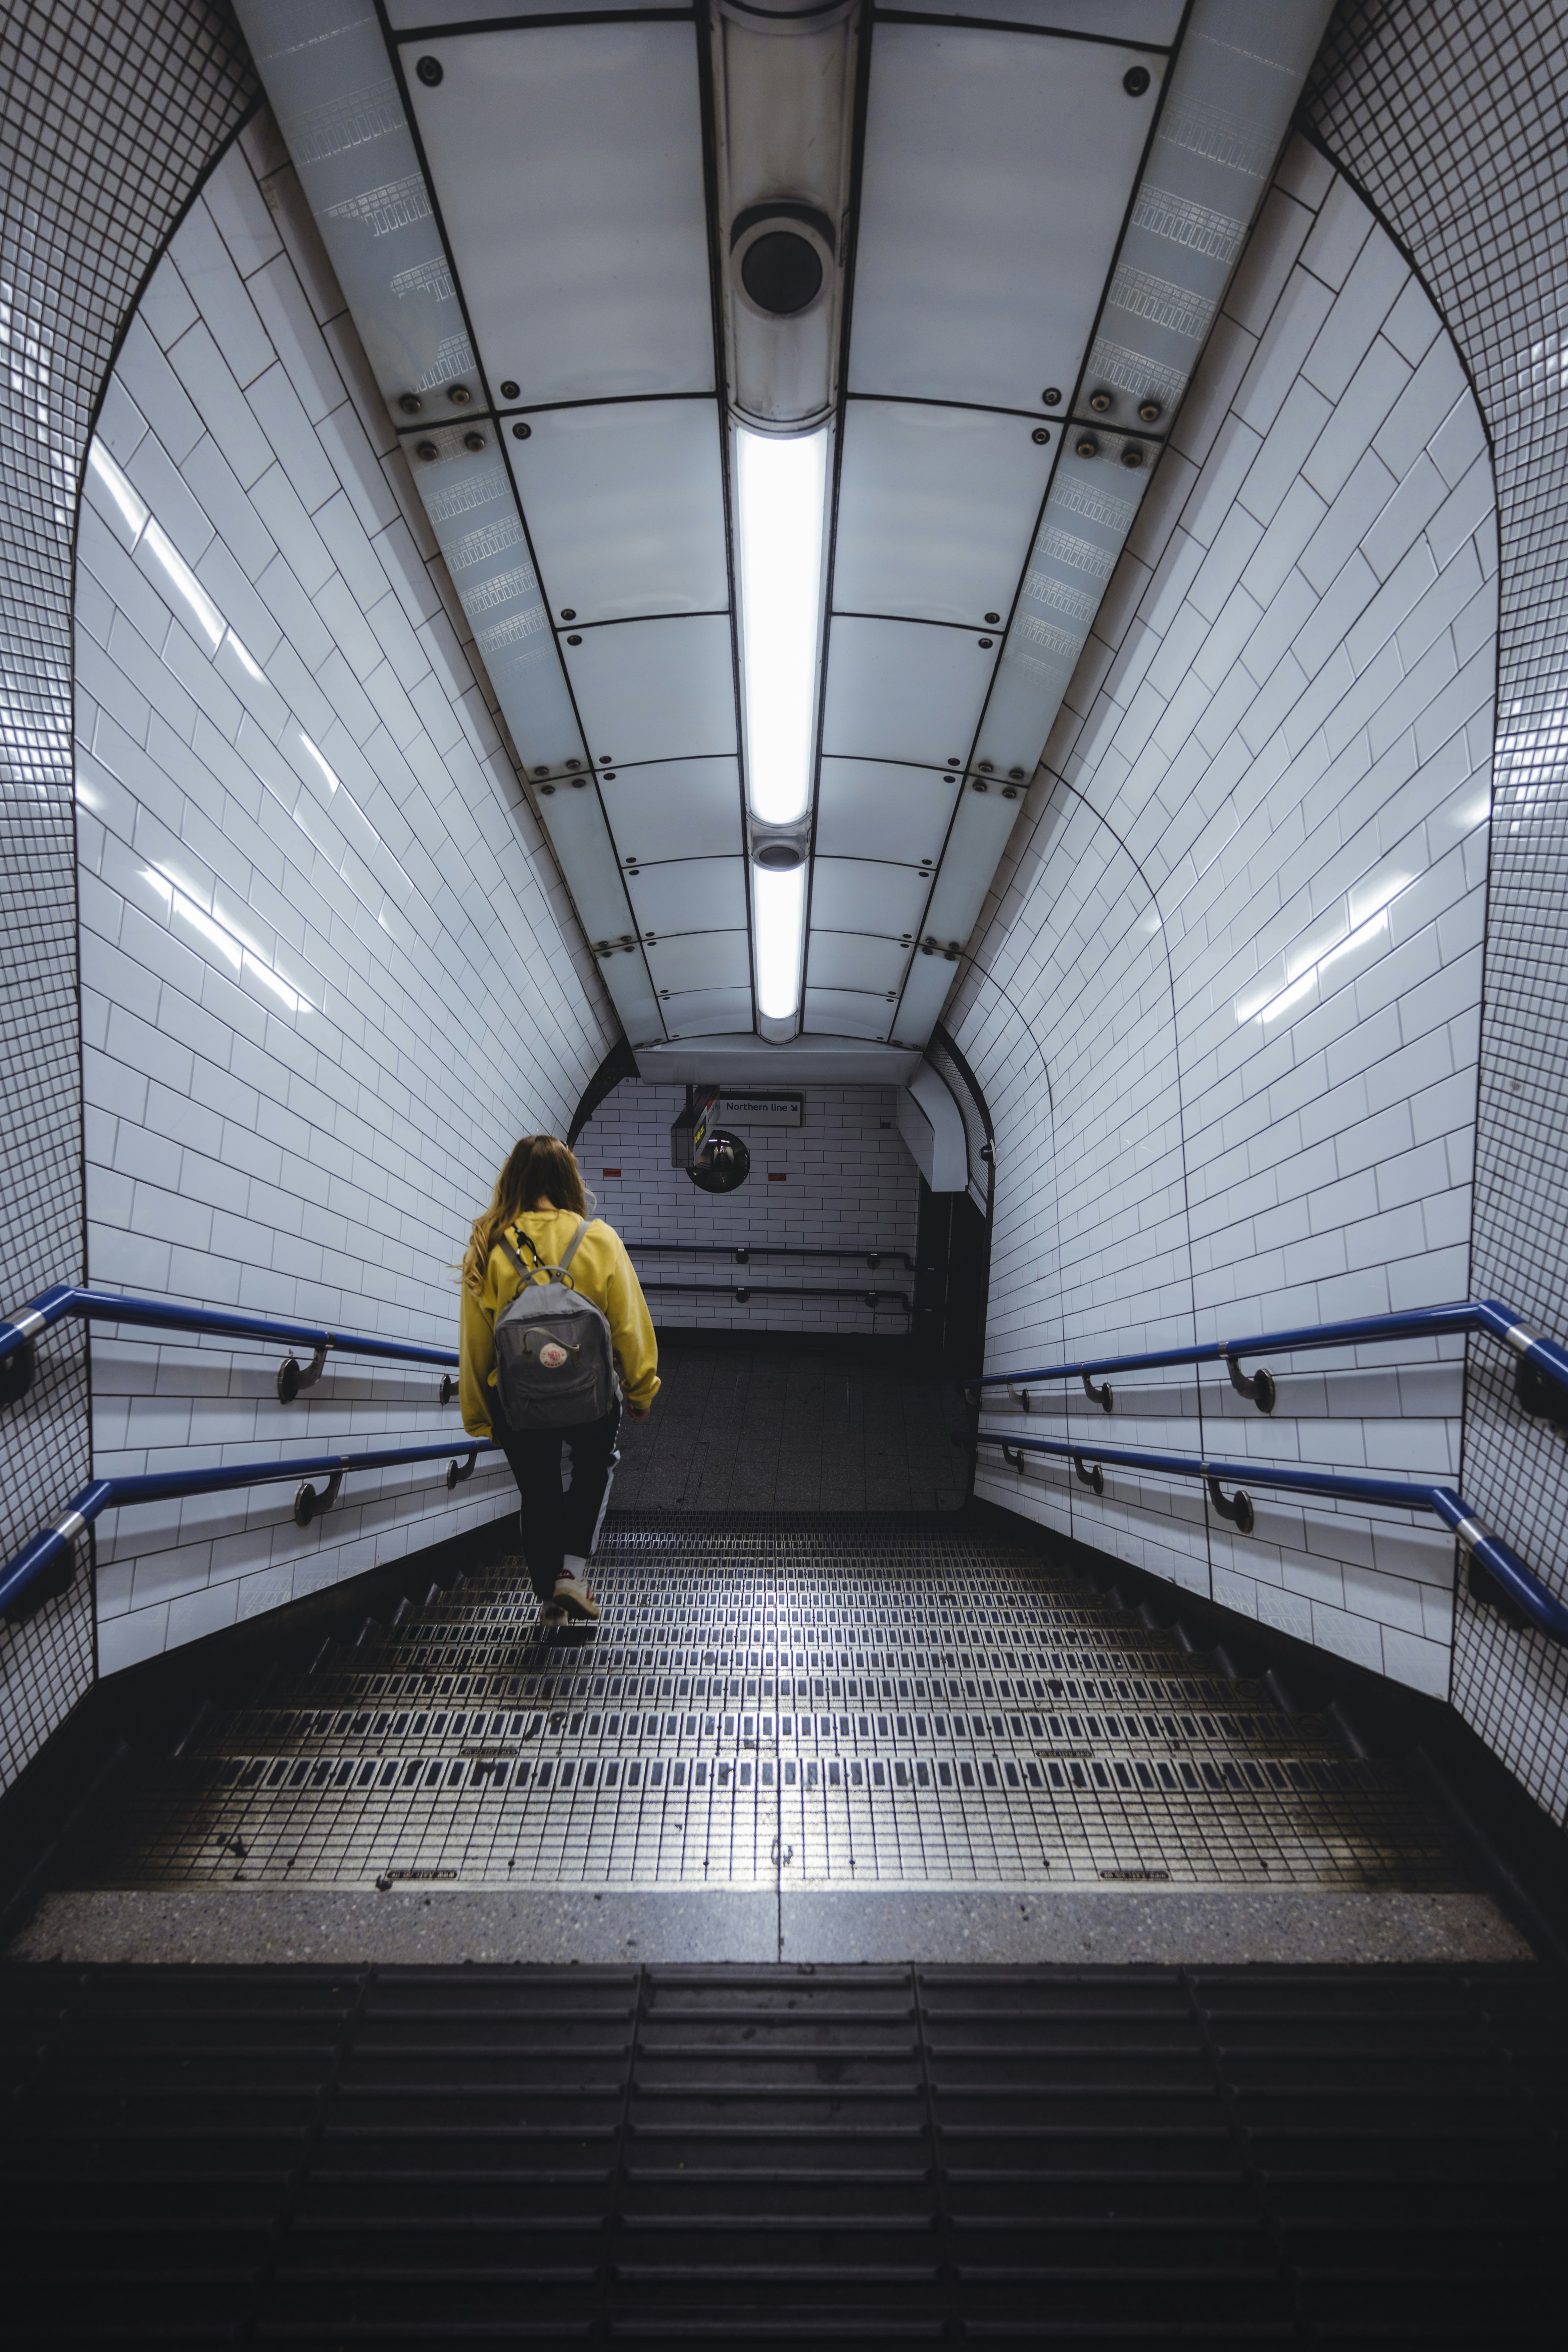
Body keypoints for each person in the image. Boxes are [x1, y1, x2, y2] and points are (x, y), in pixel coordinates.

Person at [460, 1135, 658, 1624]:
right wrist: (640, 1388)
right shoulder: (598, 1238)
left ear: (513, 1179)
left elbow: (476, 1342)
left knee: (539, 1489)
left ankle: (550, 1602)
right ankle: (572, 1574)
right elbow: (630, 1324)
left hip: (518, 1400)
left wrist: (482, 1415)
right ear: (569, 1179)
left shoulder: (489, 1242)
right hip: (590, 1394)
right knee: (596, 1466)